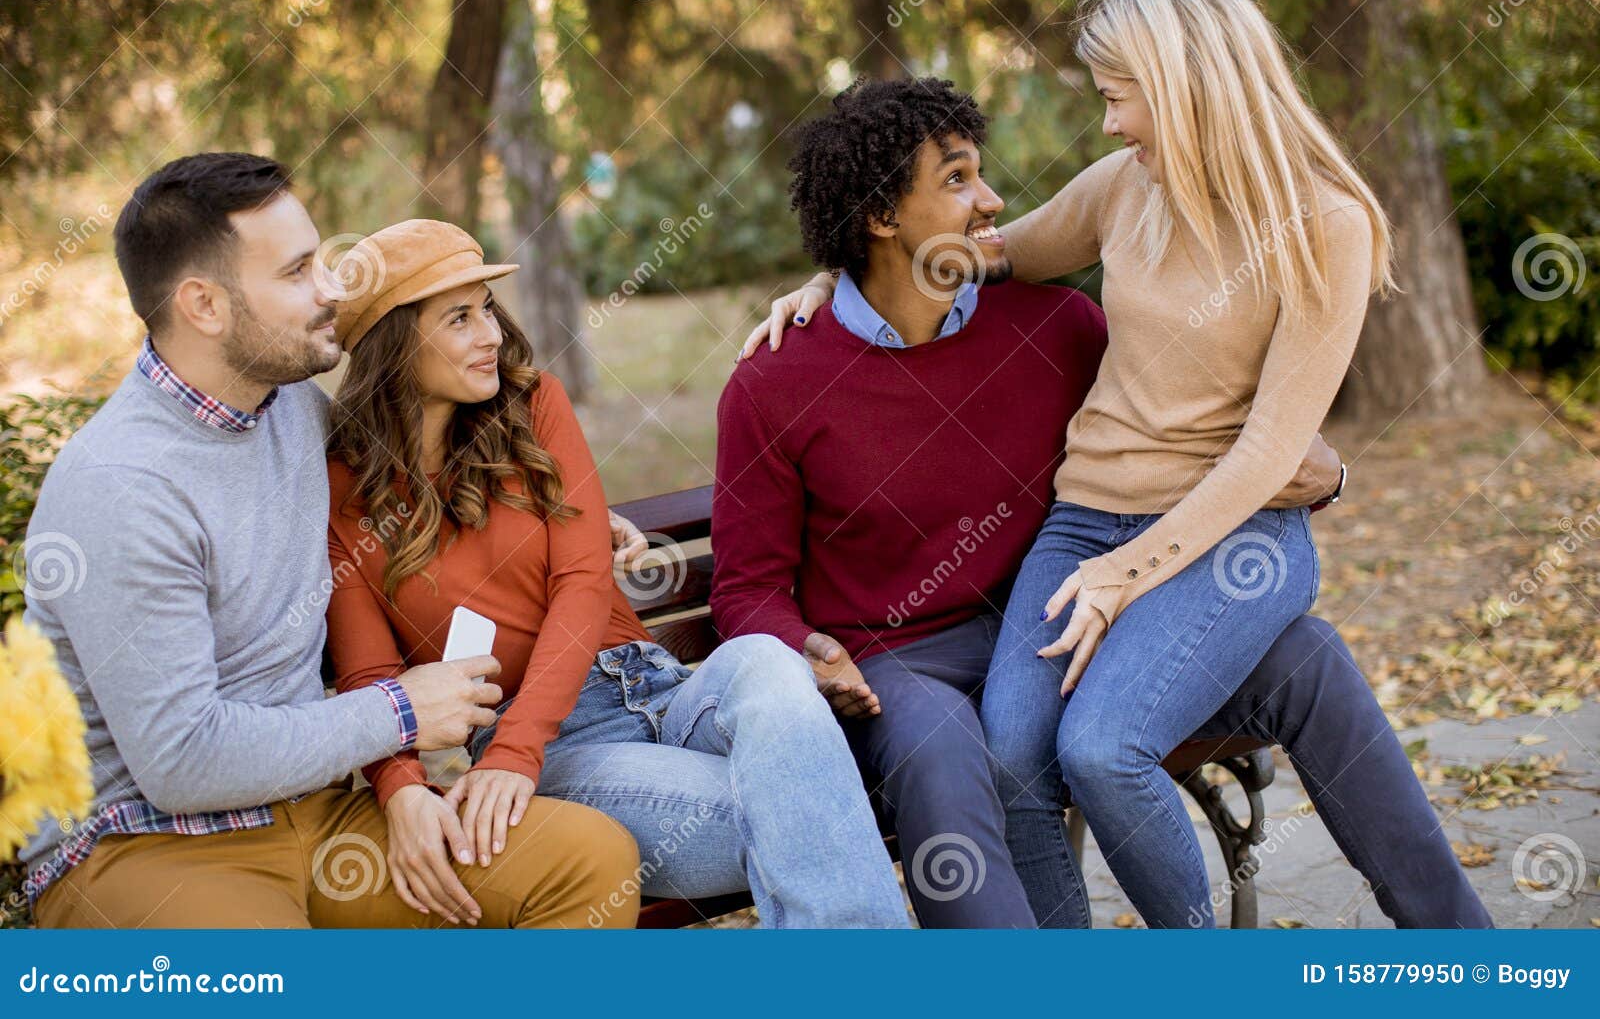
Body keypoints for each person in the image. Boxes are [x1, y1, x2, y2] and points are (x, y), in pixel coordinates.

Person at [732, 70, 1490, 928]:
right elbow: (746, 587)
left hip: (1070, 616)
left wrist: (1321, 473)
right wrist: (808, 648)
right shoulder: (776, 379)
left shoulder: (1055, 328)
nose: (989, 199)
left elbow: (1185, 433)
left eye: (978, 171)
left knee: (1306, 660)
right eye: (955, 179)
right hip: (911, 658)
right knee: (980, 751)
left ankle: (1464, 947)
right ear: (879, 216)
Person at [19, 153, 639, 928]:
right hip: (144, 845)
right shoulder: (121, 486)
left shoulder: (289, 412)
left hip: (315, 814)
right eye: (299, 271)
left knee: (589, 863)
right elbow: (181, 761)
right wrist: (399, 714)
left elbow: (408, 496)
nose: (332, 290)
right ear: (204, 304)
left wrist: (569, 518)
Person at [322, 219, 909, 929]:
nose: (491, 335)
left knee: (762, 659)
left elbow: (582, 581)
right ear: (393, 343)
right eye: (459, 318)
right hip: (558, 746)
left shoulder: (532, 404)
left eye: (486, 309)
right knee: (805, 806)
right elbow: (367, 677)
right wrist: (424, 779)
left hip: (667, 685)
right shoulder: (344, 491)